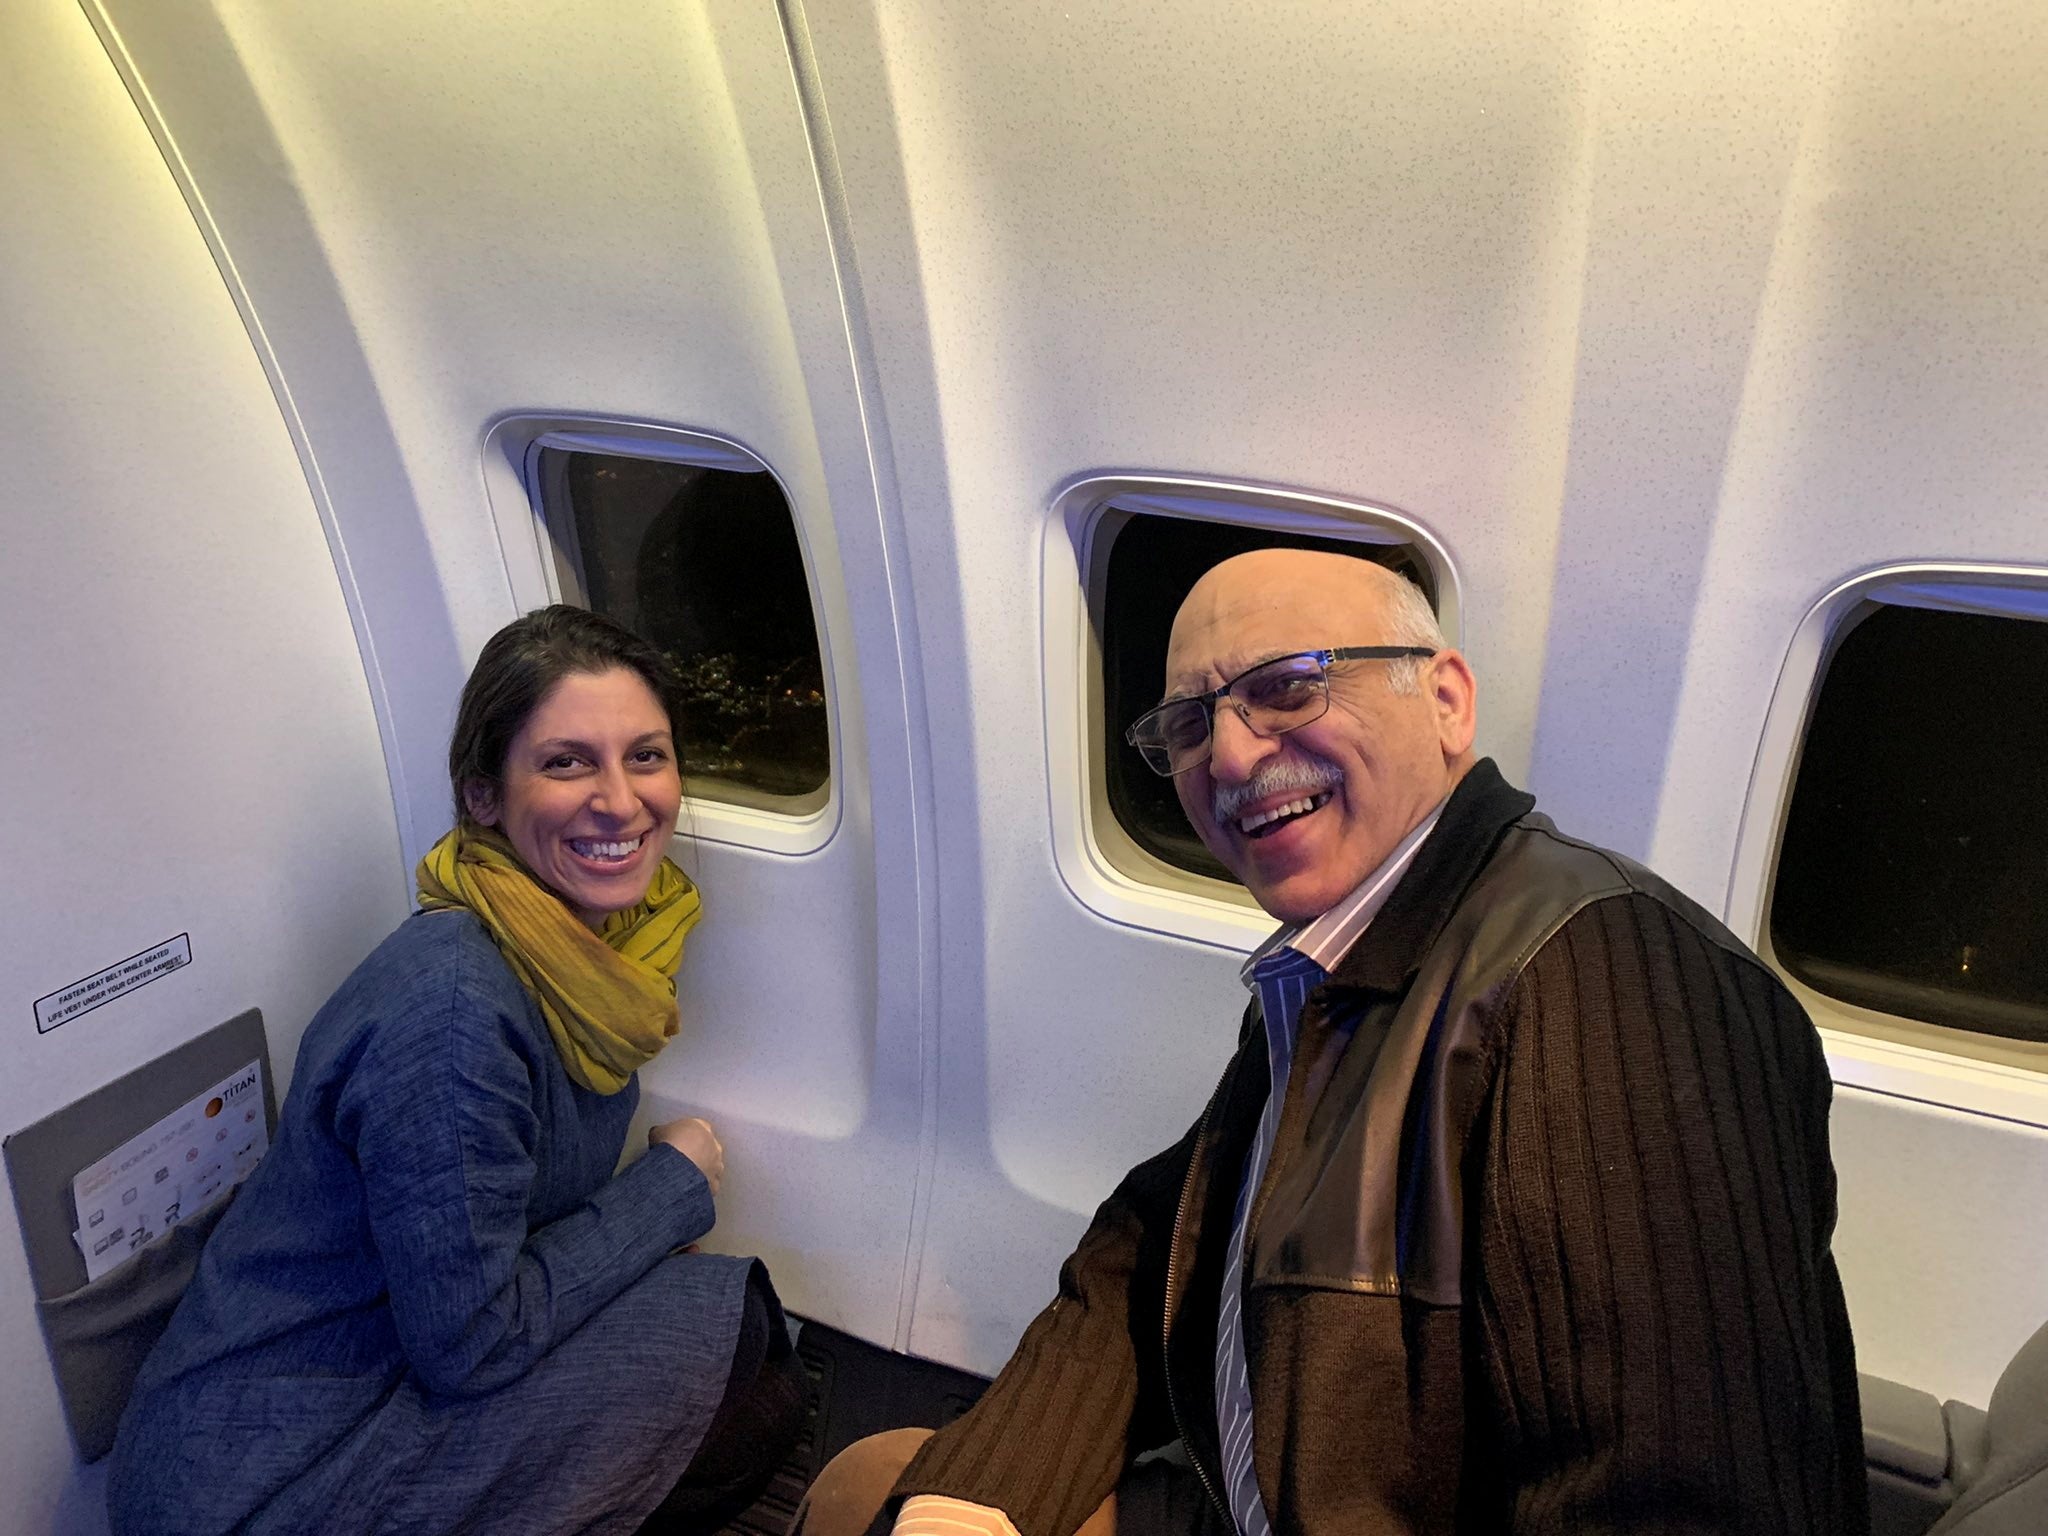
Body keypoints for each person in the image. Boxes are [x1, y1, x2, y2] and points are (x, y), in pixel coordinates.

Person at [797, 551, 1867, 1535]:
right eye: (1188, 722)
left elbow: (1675, 1504)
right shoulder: (1342, 967)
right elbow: (1149, 1243)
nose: (1225, 750)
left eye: (1286, 684)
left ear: (1443, 700)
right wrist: (980, 1496)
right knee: (879, 1485)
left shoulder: (1604, 976)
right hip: (1246, 1495)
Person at [109, 605, 807, 1536]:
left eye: (647, 755)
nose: (621, 800)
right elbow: (472, 1346)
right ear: (484, 796)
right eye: (567, 762)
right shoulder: (454, 1009)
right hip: (255, 1479)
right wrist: (672, 1188)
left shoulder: (592, 959)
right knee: (733, 1367)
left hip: (385, 1373)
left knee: (734, 1341)